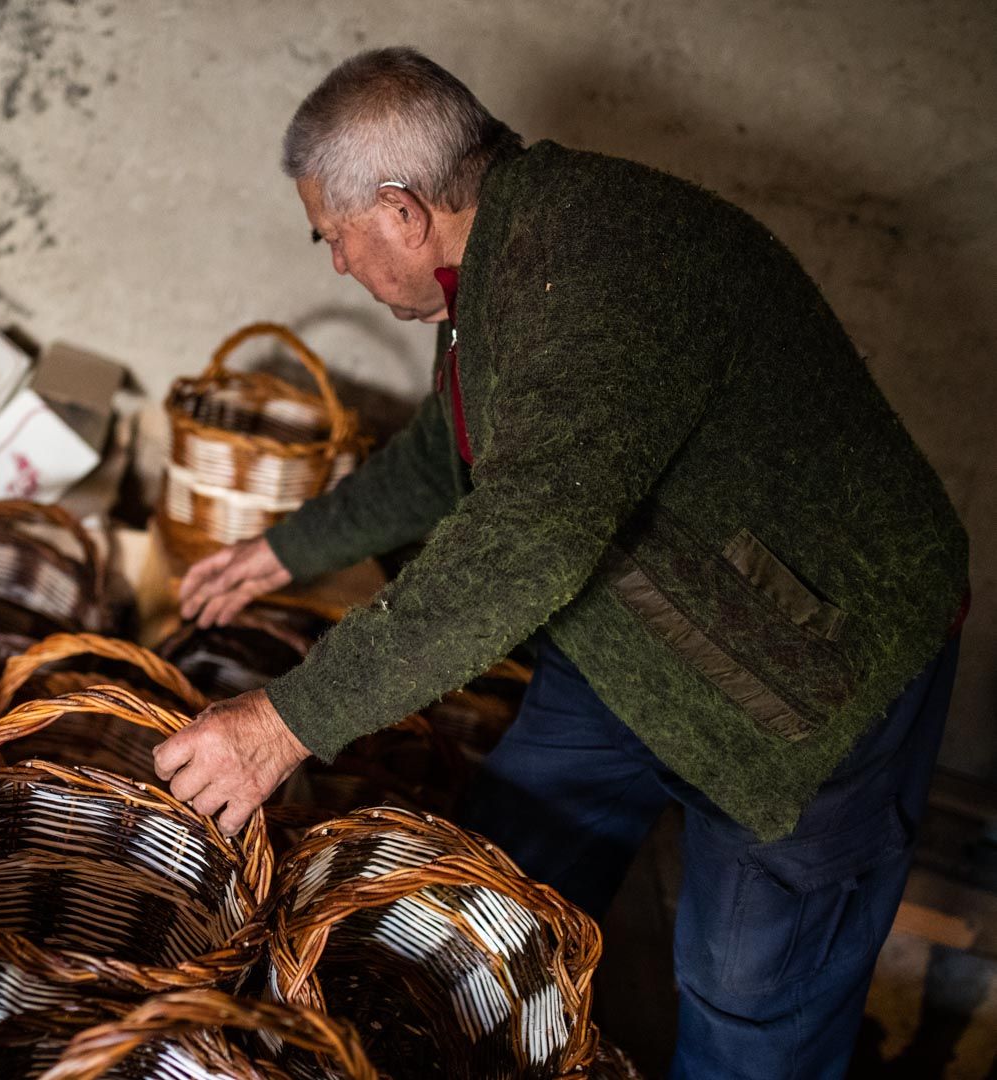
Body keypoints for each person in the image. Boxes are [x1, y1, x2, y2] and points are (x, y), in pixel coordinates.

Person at [151, 46, 968, 1079]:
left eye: (334, 236)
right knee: (492, 897)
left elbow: (526, 538)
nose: (337, 266)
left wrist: (286, 722)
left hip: (799, 672)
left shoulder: (594, 263)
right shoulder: (490, 273)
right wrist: (285, 550)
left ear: (401, 211)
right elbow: (448, 457)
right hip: (632, 629)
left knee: (750, 994)